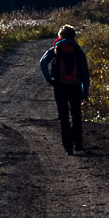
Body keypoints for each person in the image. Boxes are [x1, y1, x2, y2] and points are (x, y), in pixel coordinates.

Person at [39, 25, 91, 155]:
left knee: (63, 116)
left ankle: (68, 146)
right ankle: (78, 143)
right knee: (76, 115)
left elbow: (43, 62)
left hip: (60, 86)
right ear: (73, 36)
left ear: (60, 36)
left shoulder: (55, 49)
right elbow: (85, 72)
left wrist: (50, 79)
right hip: (75, 85)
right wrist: (85, 92)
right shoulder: (77, 50)